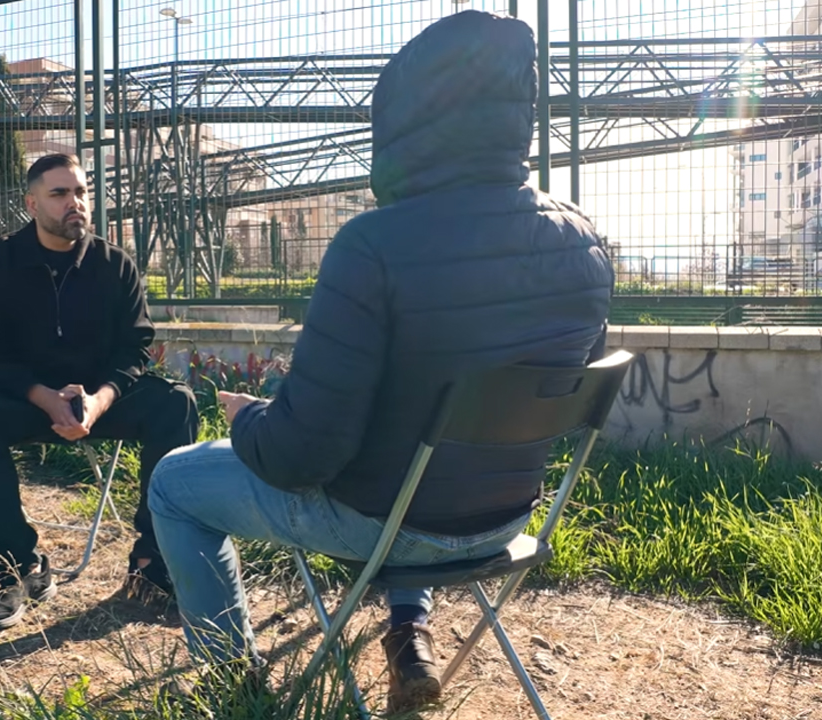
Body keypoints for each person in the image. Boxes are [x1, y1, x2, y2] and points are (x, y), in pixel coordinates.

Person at [146, 10, 615, 712]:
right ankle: (408, 631)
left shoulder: (373, 246)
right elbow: (561, 380)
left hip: (386, 521)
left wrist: (250, 422)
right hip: (505, 518)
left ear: (404, 120)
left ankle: (230, 684)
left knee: (174, 483)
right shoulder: (583, 240)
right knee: (416, 447)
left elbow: (304, 456)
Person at [0, 153, 198, 630]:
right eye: (59, 194)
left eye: (80, 192)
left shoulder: (115, 265)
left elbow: (136, 349)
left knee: (175, 403)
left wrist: (99, 400)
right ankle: (20, 569)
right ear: (31, 204)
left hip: (101, 402)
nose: (74, 203)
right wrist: (42, 395)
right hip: (26, 400)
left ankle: (151, 567)